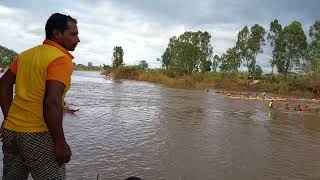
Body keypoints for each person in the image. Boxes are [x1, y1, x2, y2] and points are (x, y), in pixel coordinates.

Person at [0, 13, 80, 179]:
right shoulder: (60, 59)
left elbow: (3, 84)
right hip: (38, 134)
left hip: (11, 133)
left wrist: (9, 119)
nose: (78, 39)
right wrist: (59, 142)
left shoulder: (25, 55)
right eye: (73, 34)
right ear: (57, 34)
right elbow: (52, 102)